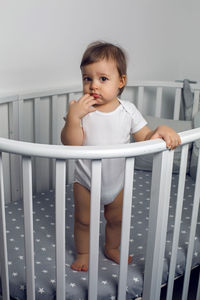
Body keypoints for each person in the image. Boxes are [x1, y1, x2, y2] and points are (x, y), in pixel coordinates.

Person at [61, 41, 181, 272]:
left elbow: (145, 137)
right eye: (87, 78)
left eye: (103, 79)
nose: (93, 85)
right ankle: (84, 252)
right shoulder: (81, 110)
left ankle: (112, 248)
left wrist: (161, 130)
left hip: (117, 183)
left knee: (116, 220)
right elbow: (71, 144)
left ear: (121, 82)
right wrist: (73, 118)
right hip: (85, 182)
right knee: (83, 221)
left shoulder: (128, 110)